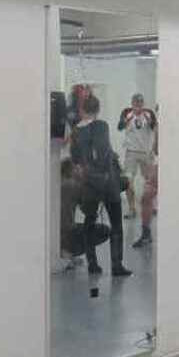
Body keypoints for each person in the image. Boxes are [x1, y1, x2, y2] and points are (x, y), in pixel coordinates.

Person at [70, 94, 132, 277]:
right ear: (97, 110)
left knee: (89, 222)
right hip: (107, 182)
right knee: (116, 224)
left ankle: (93, 264)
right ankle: (116, 265)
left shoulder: (75, 131)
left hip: (88, 183)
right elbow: (104, 153)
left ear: (82, 109)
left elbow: (75, 158)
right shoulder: (101, 126)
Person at [60, 158, 111, 271]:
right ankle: (67, 251)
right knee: (104, 230)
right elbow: (87, 208)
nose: (80, 169)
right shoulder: (72, 185)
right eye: (77, 168)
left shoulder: (60, 184)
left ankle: (64, 251)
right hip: (67, 233)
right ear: (72, 170)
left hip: (56, 233)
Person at [118, 93, 157, 218]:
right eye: (135, 102)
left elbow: (154, 127)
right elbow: (120, 127)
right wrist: (127, 119)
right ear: (132, 103)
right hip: (131, 152)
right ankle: (131, 208)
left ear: (143, 103)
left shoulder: (149, 113)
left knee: (149, 181)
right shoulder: (127, 113)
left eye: (140, 102)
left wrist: (154, 147)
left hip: (145, 152)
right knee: (128, 180)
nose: (138, 105)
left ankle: (151, 206)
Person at [134, 114, 158, 249]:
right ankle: (146, 234)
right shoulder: (157, 126)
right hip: (159, 164)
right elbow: (155, 148)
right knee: (146, 197)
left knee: (147, 196)